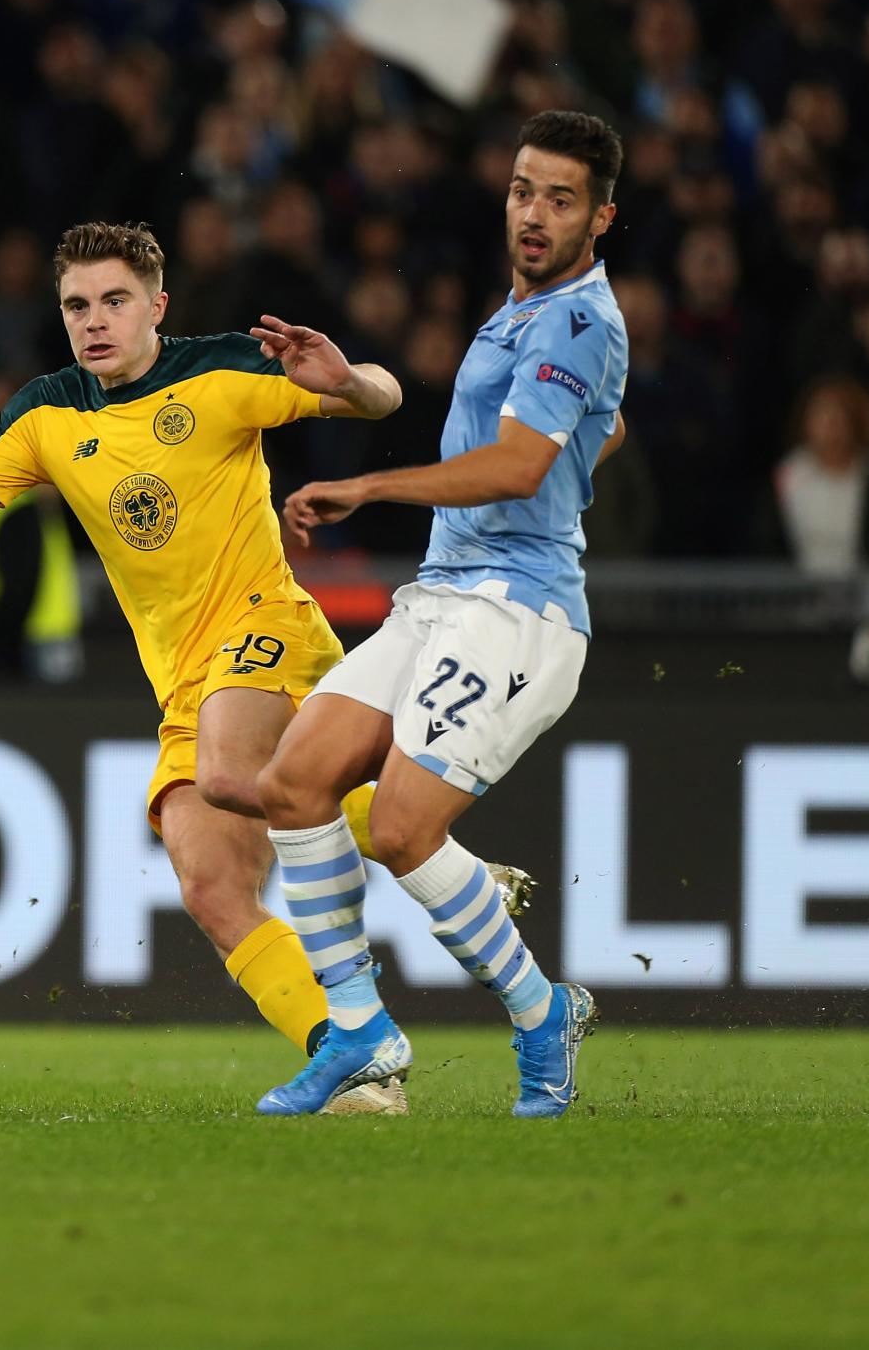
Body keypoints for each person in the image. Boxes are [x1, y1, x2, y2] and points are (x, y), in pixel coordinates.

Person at [0, 220, 496, 1115]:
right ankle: (357, 1056)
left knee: (232, 771)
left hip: (267, 627)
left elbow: (386, 399)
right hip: (183, 683)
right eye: (77, 304)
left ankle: (411, 838)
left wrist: (351, 380)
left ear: (157, 305)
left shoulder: (224, 369)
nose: (95, 320)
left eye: (115, 300)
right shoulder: (48, 411)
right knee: (209, 884)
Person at [252, 110, 633, 1120]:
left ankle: (540, 1010)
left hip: (517, 611)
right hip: (446, 595)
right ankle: (362, 1032)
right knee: (291, 782)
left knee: (403, 823)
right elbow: (606, 421)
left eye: (559, 197)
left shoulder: (575, 318)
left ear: (601, 215)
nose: (533, 212)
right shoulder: (523, 312)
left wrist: (370, 486)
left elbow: (515, 462)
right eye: (521, 189)